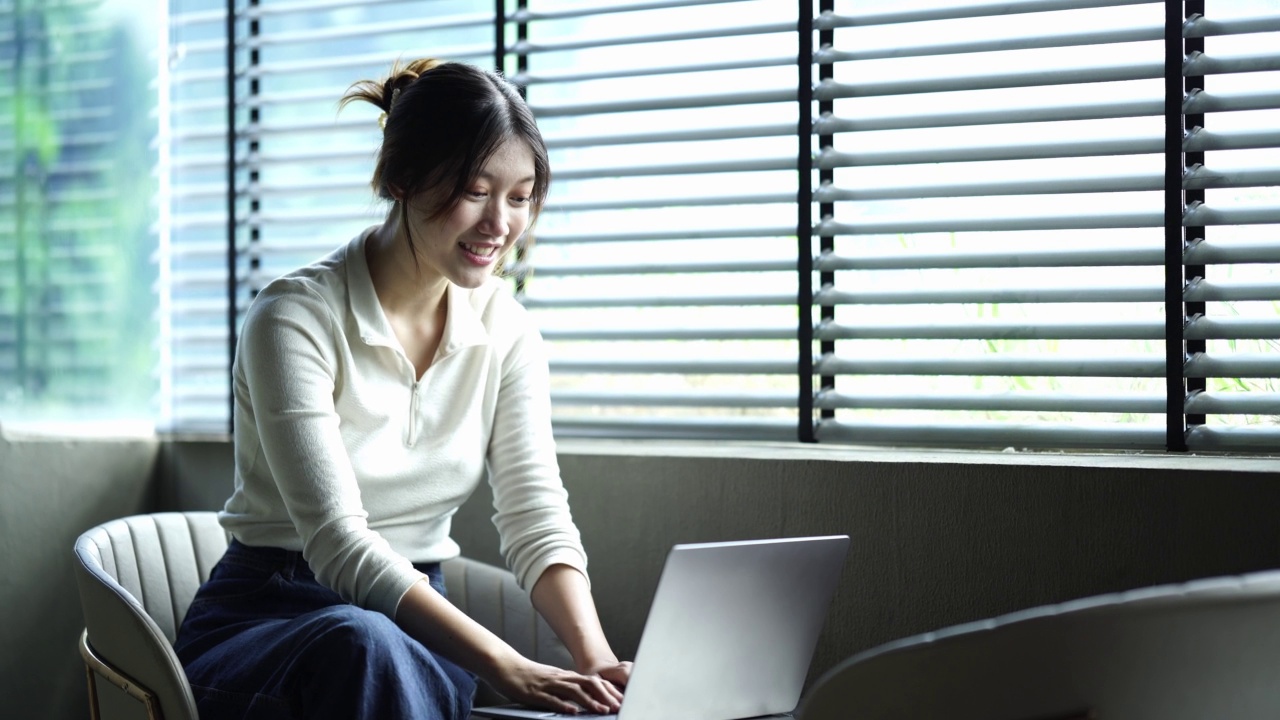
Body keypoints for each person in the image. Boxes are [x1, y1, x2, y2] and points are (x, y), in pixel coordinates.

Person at [173, 57, 632, 720]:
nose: (500, 223)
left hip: (413, 627)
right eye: (475, 191)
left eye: (521, 195)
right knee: (363, 642)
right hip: (268, 616)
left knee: (379, 645)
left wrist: (596, 665)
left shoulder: (506, 328)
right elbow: (336, 541)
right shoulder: (295, 318)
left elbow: (536, 517)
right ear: (401, 179)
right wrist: (508, 664)